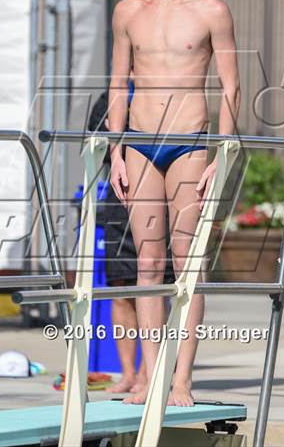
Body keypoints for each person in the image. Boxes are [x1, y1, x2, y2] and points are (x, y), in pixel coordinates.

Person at [108, 0, 240, 407]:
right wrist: (116, 150)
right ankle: (150, 375)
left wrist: (220, 156)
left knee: (187, 265)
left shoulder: (212, 11)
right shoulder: (127, 11)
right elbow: (118, 82)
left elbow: (231, 85)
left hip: (189, 142)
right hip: (140, 141)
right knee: (148, 263)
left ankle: (181, 379)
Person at [87, 78, 175, 394]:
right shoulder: (112, 95)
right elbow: (95, 141)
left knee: (153, 287)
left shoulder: (167, 93)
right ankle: (127, 374)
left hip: (156, 197)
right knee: (121, 288)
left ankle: (147, 373)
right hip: (120, 197)